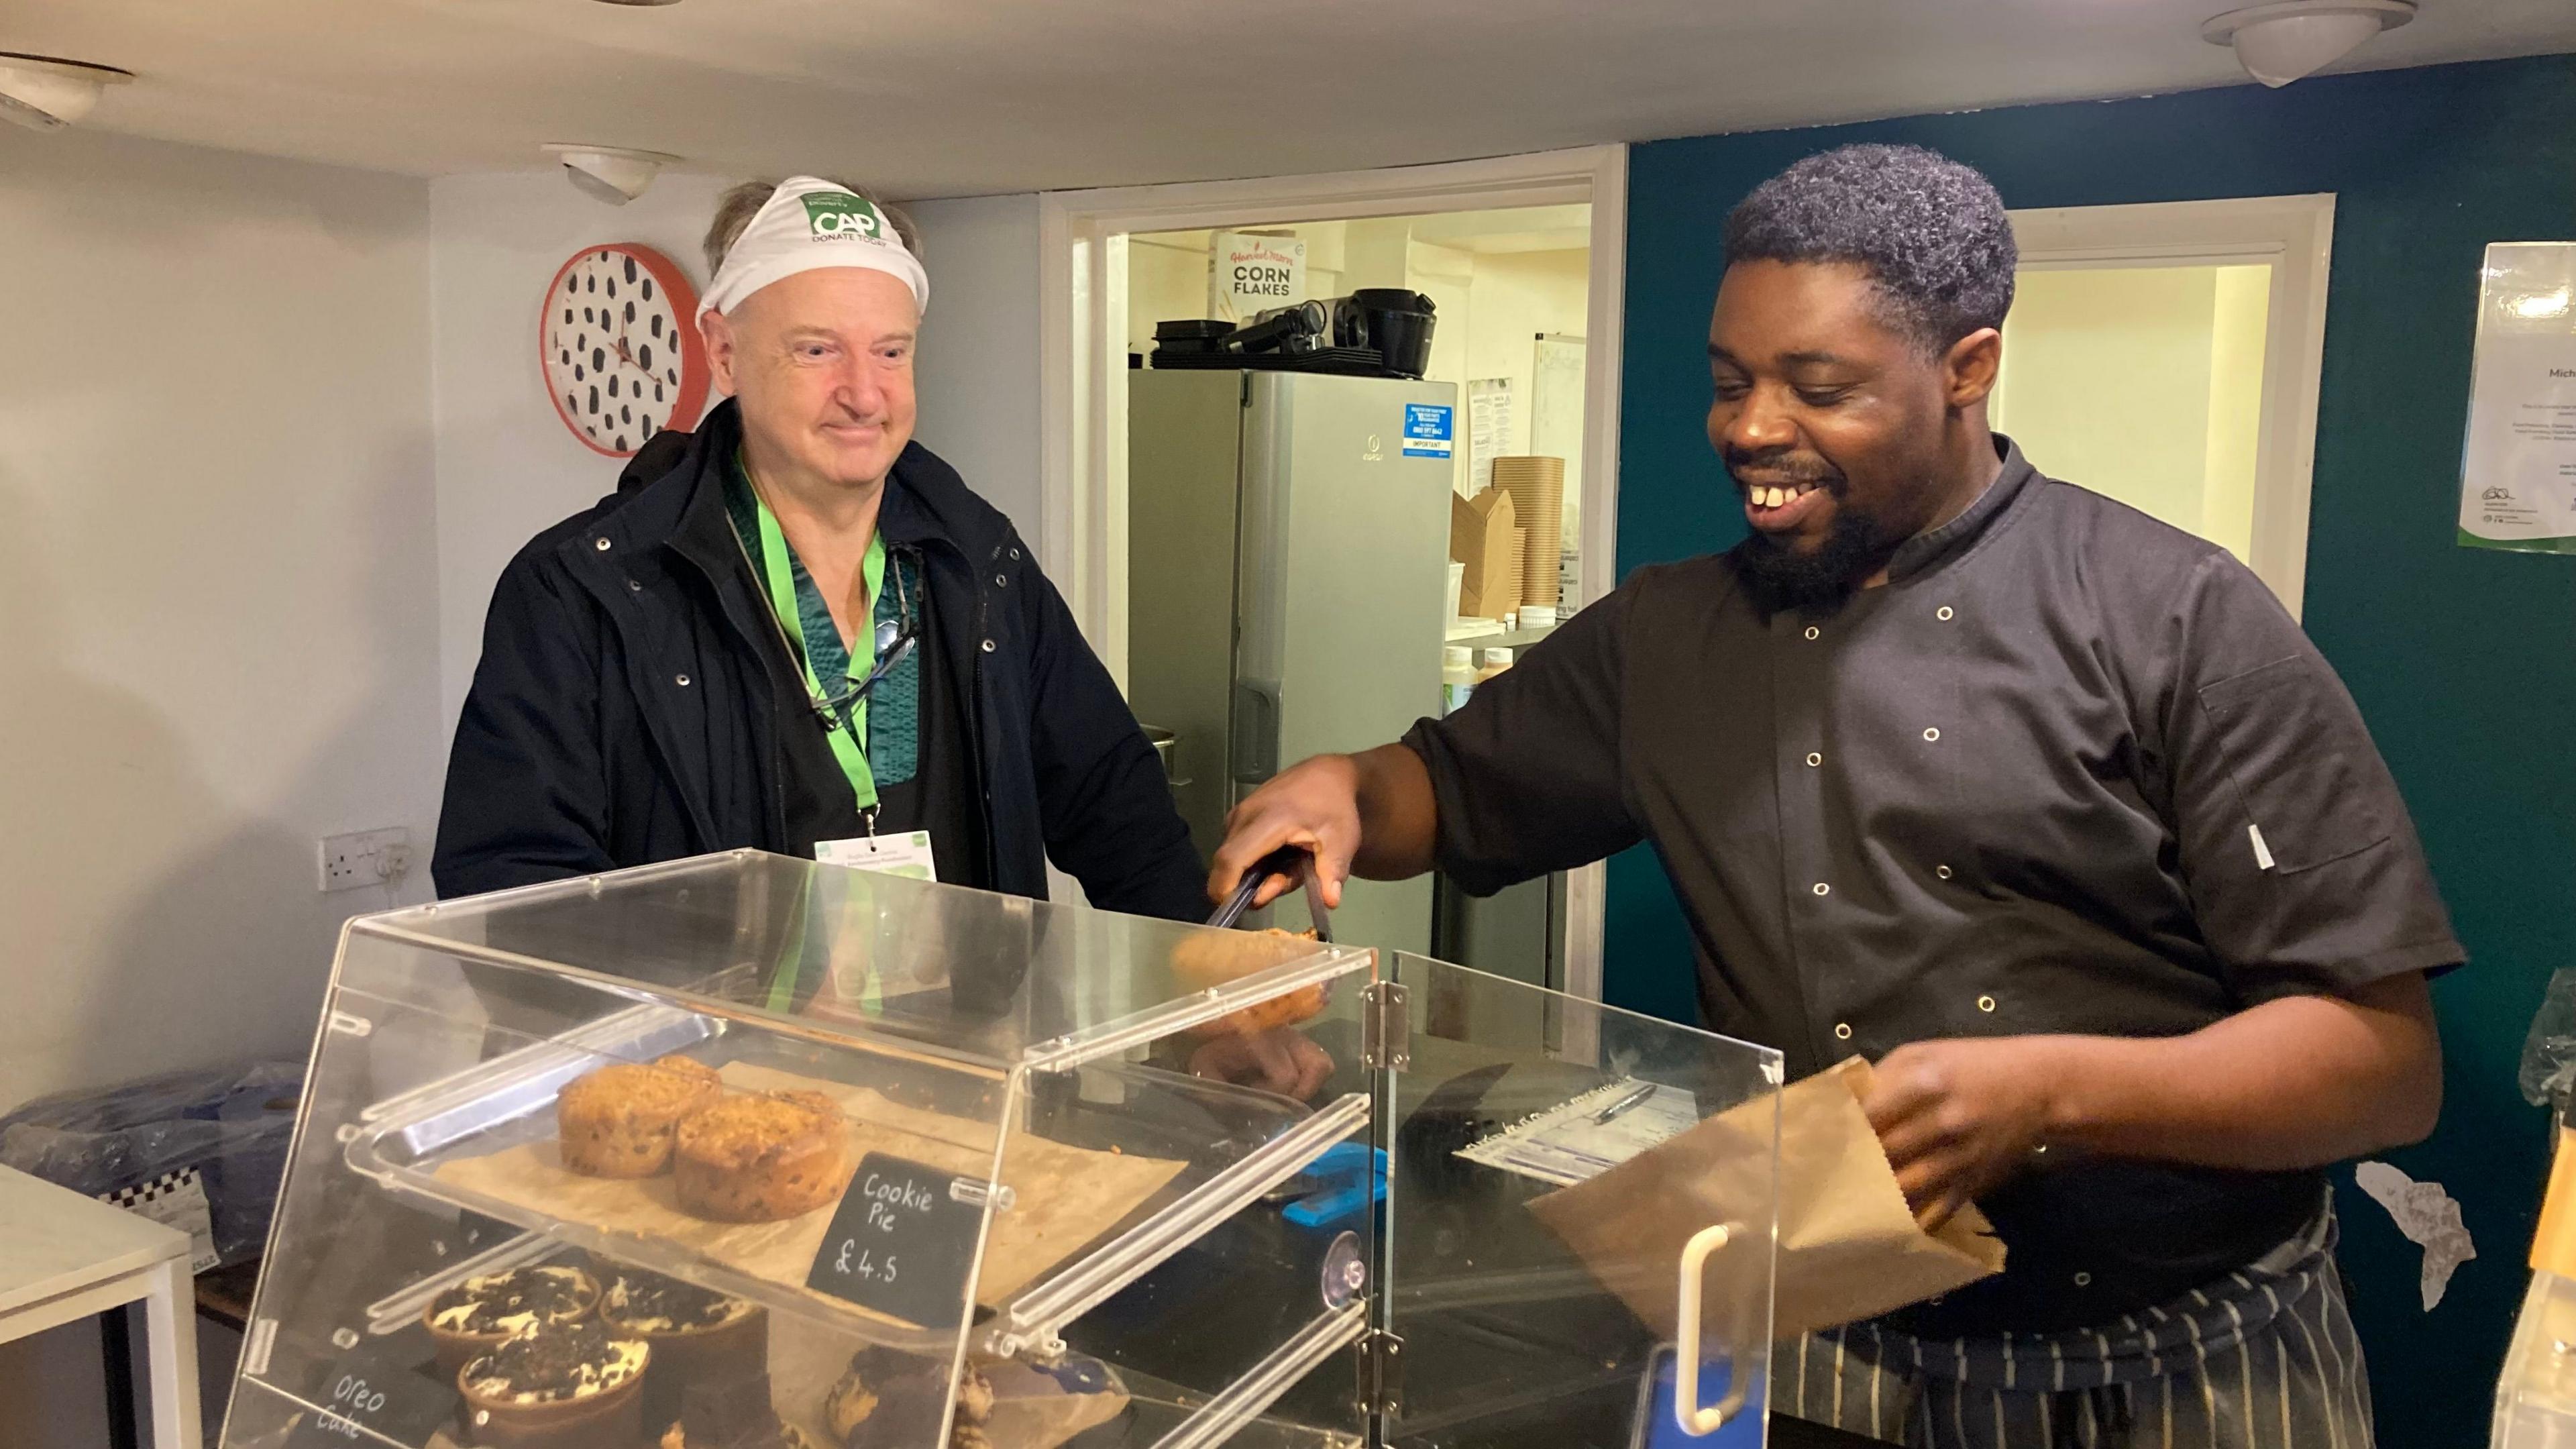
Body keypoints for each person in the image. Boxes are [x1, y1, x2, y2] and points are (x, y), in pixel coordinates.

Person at [1211, 144, 2456, 1447]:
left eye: (1820, 386)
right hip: (1819, 1336)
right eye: (1731, 383)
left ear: (1967, 368)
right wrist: (1344, 785)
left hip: (2179, 1360)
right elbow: (1444, 793)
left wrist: (2055, 1092)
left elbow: (2381, 1065)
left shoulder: (2179, 620)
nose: (1751, 426)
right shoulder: (1666, 635)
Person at [436, 176, 1203, 922]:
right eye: (817, 351)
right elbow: (514, 885)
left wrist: (1220, 976)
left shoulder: (979, 562)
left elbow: (1111, 802)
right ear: (725, 352)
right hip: (723, 1051)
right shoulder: (585, 590)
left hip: (963, 1045)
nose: (865, 393)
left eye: (892, 353)